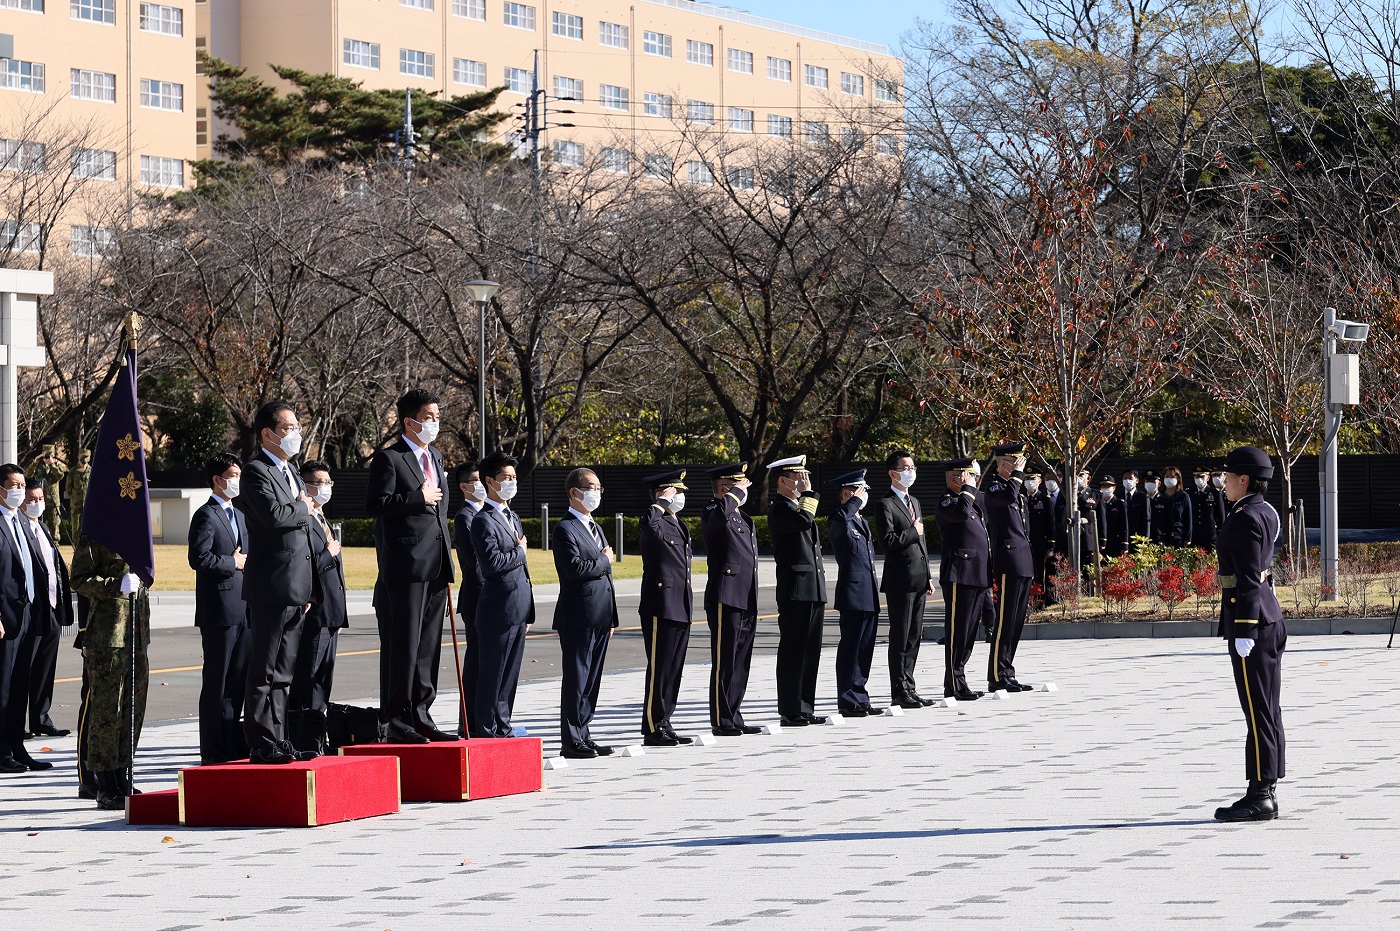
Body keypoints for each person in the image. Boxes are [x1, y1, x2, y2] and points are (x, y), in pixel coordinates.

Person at [366, 389, 455, 744]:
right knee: (404, 644)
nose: (435, 423)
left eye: (437, 417)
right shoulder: (390, 458)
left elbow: (441, 510)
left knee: (428, 645)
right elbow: (377, 504)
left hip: (437, 562)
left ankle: (422, 714)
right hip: (406, 565)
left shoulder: (436, 456)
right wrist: (418, 497)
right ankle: (397, 718)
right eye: (428, 417)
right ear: (409, 421)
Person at [236, 400, 319, 764]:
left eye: (297, 427)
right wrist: (304, 507)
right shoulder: (256, 471)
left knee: (284, 672)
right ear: (268, 434)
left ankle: (280, 738)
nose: (295, 434)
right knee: (264, 669)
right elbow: (274, 516)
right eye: (289, 428)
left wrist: (309, 586)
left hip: (296, 585)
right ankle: (260, 741)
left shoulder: (292, 472)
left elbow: (301, 530)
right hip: (271, 585)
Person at [1213, 446, 1285, 822]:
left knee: (1258, 710)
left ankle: (1260, 795)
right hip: (1268, 617)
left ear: (1244, 480)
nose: (1223, 483)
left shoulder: (1244, 518)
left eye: (1228, 477)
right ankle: (1267, 788)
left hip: (1252, 623)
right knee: (1268, 708)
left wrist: (1243, 628)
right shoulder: (1264, 510)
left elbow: (1246, 577)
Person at [70, 536, 149, 810]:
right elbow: (78, 579)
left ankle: (121, 775)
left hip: (136, 634)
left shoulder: (138, 530)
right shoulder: (98, 531)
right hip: (108, 636)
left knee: (131, 710)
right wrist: (115, 585)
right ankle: (104, 785)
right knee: (107, 712)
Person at [551, 468, 619, 759]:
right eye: (591, 487)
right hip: (578, 615)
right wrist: (604, 559)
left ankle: (584, 734)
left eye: (599, 487)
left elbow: (606, 576)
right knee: (577, 678)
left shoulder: (594, 526)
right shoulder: (565, 529)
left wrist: (611, 615)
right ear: (574, 492)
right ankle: (571, 740)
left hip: (600, 614)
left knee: (591, 680)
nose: (596, 493)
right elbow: (576, 569)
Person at [188, 453, 250, 764]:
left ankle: (229, 743)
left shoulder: (239, 515)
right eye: (233, 475)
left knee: (237, 682)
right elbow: (198, 558)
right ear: (217, 479)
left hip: (244, 608)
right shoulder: (206, 515)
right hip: (219, 610)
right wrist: (232, 562)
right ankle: (212, 750)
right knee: (217, 681)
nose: (238, 481)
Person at [471, 450, 535, 738]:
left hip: (518, 607)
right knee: (493, 674)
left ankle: (503, 726)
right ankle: (487, 730)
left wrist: (528, 609)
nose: (512, 482)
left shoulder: (512, 516)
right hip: (498, 609)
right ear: (489, 481)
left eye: (514, 477)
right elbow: (493, 563)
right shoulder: (483, 520)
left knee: (510, 675)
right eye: (506, 477)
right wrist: (520, 552)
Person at [767, 455, 828, 728]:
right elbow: (803, 520)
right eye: (799, 477)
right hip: (795, 589)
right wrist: (808, 494)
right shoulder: (781, 508)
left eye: (806, 476)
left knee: (810, 651)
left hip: (812, 587)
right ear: (783, 481)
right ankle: (790, 710)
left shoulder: (798, 507)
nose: (805, 481)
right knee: (794, 650)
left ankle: (805, 707)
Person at [701, 463, 761, 736]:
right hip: (726, 594)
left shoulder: (740, 516)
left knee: (740, 660)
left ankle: (734, 714)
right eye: (739, 485)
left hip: (745, 594)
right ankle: (721, 719)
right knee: (725, 660)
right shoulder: (714, 510)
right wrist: (733, 496)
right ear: (725, 489)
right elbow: (716, 522)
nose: (745, 490)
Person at [637, 469, 694, 746]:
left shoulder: (676, 523)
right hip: (660, 604)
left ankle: (665, 721)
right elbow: (648, 526)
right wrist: (659, 503)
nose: (680, 496)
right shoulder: (654, 520)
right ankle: (652, 726)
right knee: (660, 668)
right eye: (676, 491)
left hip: (680, 602)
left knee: (673, 669)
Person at [875, 449, 934, 709]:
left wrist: (928, 575)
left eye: (912, 468)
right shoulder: (885, 504)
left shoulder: (915, 502)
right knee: (900, 636)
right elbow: (888, 542)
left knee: (914, 636)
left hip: (919, 578)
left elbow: (922, 543)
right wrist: (912, 530)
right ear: (893, 473)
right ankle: (898, 690)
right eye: (905, 468)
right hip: (900, 580)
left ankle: (910, 686)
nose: (911, 472)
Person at [291, 461, 347, 720]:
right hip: (314, 611)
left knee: (324, 677)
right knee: (307, 676)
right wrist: (328, 553)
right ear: (304, 486)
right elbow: (305, 565)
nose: (325, 488)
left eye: (328, 482)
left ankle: (318, 726)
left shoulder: (322, 518)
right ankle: (304, 727)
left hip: (331, 612)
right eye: (318, 483)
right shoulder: (302, 521)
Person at [932, 458, 990, 701]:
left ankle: (957, 680)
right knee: (958, 631)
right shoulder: (948, 502)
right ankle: (956, 683)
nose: (972, 481)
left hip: (976, 573)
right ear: (955, 478)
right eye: (968, 476)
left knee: (969, 632)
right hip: (960, 573)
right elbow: (962, 514)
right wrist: (966, 489)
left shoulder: (970, 501)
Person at [0, 464, 46, 774]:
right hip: (5, 618)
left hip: (27, 612)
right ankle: (2, 751)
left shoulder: (21, 521)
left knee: (19, 686)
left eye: (22, 484)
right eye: (13, 485)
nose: (19, 490)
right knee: (3, 687)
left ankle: (17, 746)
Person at [983, 443, 1036, 694]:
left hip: (1023, 559)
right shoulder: (995, 488)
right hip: (1008, 558)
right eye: (1016, 461)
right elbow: (1006, 498)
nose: (1020, 466)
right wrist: (1016, 476)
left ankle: (1007, 671)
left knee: (1016, 622)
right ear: (1003, 463)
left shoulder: (1017, 491)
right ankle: (996, 674)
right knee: (1004, 621)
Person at [22, 479, 72, 740]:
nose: (37, 503)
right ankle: (16, 724)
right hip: (32, 610)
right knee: (23, 669)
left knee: (45, 666)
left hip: (51, 607)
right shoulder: (18, 529)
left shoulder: (42, 527)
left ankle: (40, 719)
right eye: (32, 499)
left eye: (40, 499)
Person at [828, 470, 879, 718]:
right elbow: (839, 523)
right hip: (853, 593)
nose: (865, 495)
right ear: (847, 494)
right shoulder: (840, 519)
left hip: (868, 592)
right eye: (861, 491)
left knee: (864, 648)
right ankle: (847, 700)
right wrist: (854, 502)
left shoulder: (860, 521)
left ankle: (860, 695)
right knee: (851, 647)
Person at [452, 462, 486, 737]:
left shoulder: (491, 513)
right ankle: (469, 722)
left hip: (495, 597)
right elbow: (475, 565)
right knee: (476, 662)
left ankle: (486, 719)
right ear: (464, 486)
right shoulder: (466, 517)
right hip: (479, 597)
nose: (482, 485)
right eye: (476, 481)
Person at [27, 445, 64, 543]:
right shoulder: (38, 466)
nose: (47, 457)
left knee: (54, 525)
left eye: (49, 454)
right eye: (46, 454)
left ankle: (55, 544)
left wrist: (52, 464)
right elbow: (27, 475)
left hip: (52, 501)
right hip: (38, 501)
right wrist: (35, 462)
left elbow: (60, 476)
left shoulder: (56, 466)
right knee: (37, 524)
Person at [1152, 465, 1193, 547]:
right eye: (1167, 476)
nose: (1169, 479)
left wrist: (1188, 538)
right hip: (1161, 537)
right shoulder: (1159, 496)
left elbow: (1188, 518)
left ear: (1178, 479)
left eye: (1172, 477)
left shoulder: (1183, 496)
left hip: (1178, 536)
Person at [1191, 465, 1226, 552]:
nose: (1199, 479)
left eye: (1201, 476)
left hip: (1210, 534)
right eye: (1196, 476)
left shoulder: (1215, 493)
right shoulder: (1190, 493)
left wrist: (1220, 534)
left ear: (1208, 477)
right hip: (1195, 534)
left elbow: (1220, 515)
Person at [1098, 475, 1129, 559]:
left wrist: (1124, 545)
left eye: (1108, 486)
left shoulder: (1120, 504)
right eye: (1103, 486)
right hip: (1100, 543)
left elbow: (1124, 525)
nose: (1106, 488)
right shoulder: (1097, 504)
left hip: (1115, 542)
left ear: (1114, 488)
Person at [66, 449, 92, 544]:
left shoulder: (92, 471)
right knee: (76, 528)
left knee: (88, 527)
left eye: (86, 457)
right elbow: (68, 489)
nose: (84, 459)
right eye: (82, 456)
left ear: (89, 458)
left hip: (89, 505)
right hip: (76, 505)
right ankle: (76, 547)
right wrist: (75, 497)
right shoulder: (73, 472)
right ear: (78, 457)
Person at [1122, 469, 1150, 548]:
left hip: (1137, 538)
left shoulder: (1143, 497)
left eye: (1130, 478)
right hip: (1121, 539)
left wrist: (1145, 541)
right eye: (1125, 478)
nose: (1127, 481)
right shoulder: (1118, 497)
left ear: (1137, 480)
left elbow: (1146, 520)